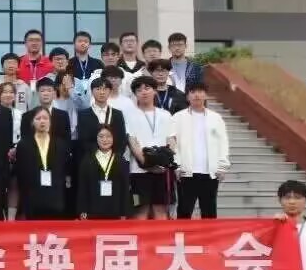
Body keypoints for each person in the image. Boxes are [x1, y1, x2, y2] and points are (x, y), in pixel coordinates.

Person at [169, 82, 231, 220]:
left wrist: (222, 166)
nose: (196, 95)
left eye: (200, 91)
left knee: (209, 211)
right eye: (193, 92)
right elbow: (172, 143)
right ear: (187, 96)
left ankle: (209, 235)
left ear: (206, 95)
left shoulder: (216, 118)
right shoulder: (178, 117)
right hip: (186, 172)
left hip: (210, 173)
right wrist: (177, 165)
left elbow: (223, 142)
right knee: (184, 210)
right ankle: (182, 234)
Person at [128, 75, 175, 220]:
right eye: (139, 90)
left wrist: (164, 162)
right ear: (135, 94)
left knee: (161, 210)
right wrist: (147, 165)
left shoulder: (165, 115)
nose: (143, 92)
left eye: (147, 88)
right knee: (140, 211)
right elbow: (132, 142)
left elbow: (171, 140)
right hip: (138, 172)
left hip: (162, 172)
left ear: (155, 91)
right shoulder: (129, 115)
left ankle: (162, 237)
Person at [16, 107, 70, 220]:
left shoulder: (60, 144)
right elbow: (21, 175)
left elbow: (63, 170)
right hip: (33, 198)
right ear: (32, 122)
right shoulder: (24, 145)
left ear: (50, 121)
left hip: (55, 198)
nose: (42, 121)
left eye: (45, 118)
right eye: (38, 118)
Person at [76, 125, 131, 220]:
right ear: (96, 138)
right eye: (101, 136)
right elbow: (83, 187)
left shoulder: (121, 160)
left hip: (115, 210)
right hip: (93, 211)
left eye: (108, 136)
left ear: (113, 138)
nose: (105, 140)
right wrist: (82, 210)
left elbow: (125, 188)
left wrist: (124, 212)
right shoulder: (87, 160)